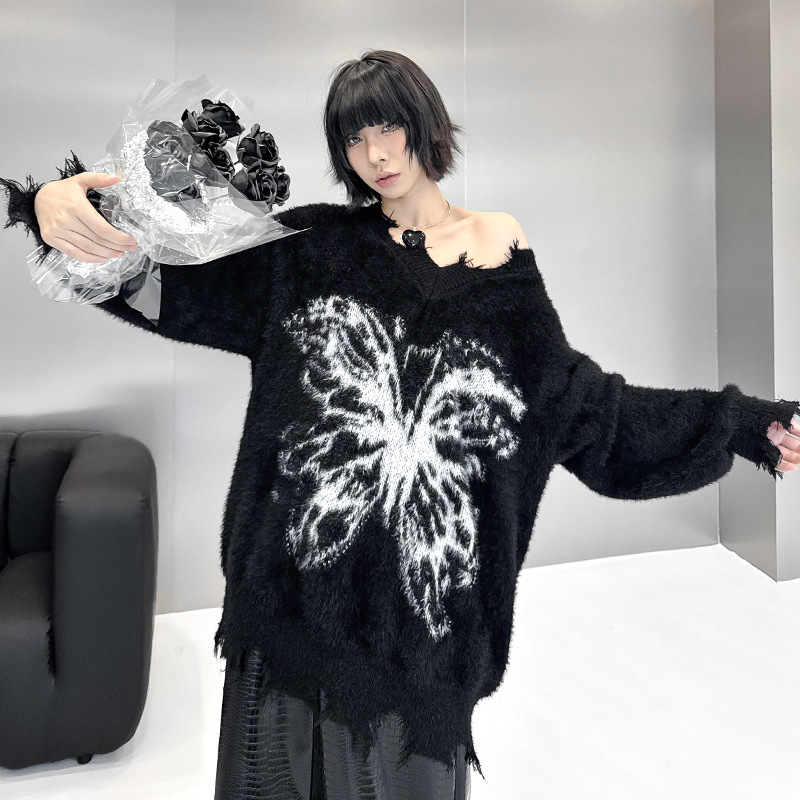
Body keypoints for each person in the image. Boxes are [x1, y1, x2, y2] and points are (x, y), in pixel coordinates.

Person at [2, 49, 799, 800]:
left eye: (388, 125)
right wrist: (56, 210)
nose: (375, 153)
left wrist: (740, 424)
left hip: (422, 643)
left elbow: (586, 410)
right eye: (354, 137)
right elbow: (169, 295)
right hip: (287, 613)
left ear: (427, 124)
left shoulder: (499, 261)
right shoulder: (311, 249)